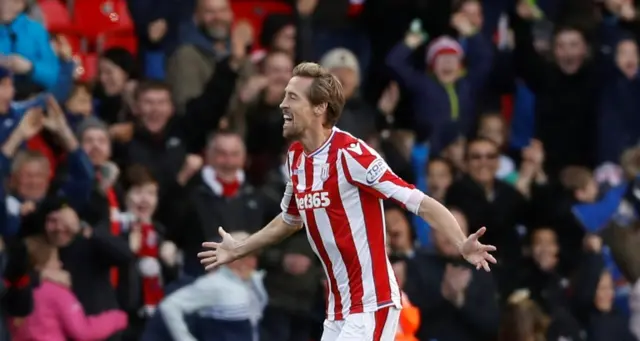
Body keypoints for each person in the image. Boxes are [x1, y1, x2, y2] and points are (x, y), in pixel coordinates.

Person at [198, 62, 497, 341]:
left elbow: (421, 202)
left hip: (373, 304)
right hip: (338, 310)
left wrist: (460, 242)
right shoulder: (297, 157)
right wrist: (239, 249)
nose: (282, 104)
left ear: (319, 108)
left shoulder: (351, 155)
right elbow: (290, 219)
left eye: (292, 97)